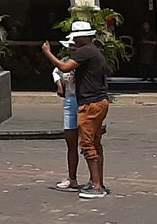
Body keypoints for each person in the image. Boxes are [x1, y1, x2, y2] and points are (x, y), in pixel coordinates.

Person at [45, 20, 110, 199]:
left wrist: (48, 53)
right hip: (99, 101)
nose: (75, 44)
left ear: (82, 38)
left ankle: (97, 186)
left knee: (88, 144)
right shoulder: (94, 51)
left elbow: (64, 67)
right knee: (95, 143)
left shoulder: (86, 51)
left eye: (76, 39)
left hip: (90, 103)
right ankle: (97, 181)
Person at [49, 41, 82, 192]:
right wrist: (59, 85)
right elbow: (57, 71)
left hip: (83, 100)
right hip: (70, 99)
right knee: (71, 141)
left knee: (88, 142)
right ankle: (72, 178)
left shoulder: (83, 60)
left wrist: (48, 53)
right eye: (70, 47)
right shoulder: (64, 61)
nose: (72, 49)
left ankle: (95, 180)